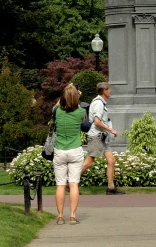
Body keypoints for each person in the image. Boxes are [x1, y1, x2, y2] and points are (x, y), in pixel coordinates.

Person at [80, 82, 125, 195]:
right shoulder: (99, 104)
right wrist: (111, 130)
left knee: (111, 160)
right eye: (109, 89)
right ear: (104, 91)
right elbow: (97, 122)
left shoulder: (100, 102)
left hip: (102, 137)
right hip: (96, 137)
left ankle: (111, 188)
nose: (110, 91)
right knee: (89, 163)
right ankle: (69, 182)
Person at [53, 84, 85, 224]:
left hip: (60, 149)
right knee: (74, 184)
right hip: (75, 149)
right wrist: (76, 96)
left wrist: (67, 91)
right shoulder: (80, 112)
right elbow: (77, 108)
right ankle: (72, 215)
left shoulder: (56, 111)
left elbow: (58, 104)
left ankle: (60, 216)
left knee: (60, 185)